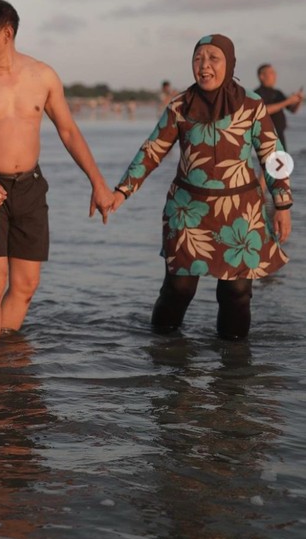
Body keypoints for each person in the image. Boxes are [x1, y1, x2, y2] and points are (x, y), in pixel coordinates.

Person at [0, 0, 113, 339]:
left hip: (30, 185)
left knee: (26, 284)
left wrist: (97, 182)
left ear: (7, 33)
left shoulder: (43, 75)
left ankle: (2, 355)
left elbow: (68, 131)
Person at [112, 34, 292, 340]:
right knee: (179, 288)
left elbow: (273, 155)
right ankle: (162, 351)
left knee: (236, 293)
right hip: (187, 210)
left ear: (229, 63)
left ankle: (234, 370)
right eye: (198, 58)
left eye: (213, 58)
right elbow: (153, 150)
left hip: (241, 212)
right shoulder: (180, 106)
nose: (204, 66)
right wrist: (122, 191)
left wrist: (283, 204)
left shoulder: (252, 105)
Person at [254, 63, 303, 151]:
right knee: (270, 163)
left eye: (275, 73)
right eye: (271, 73)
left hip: (280, 134)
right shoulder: (257, 94)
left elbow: (292, 110)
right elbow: (263, 110)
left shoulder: (277, 93)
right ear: (262, 76)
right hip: (266, 137)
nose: (275, 76)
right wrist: (288, 101)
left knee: (284, 161)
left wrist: (298, 101)